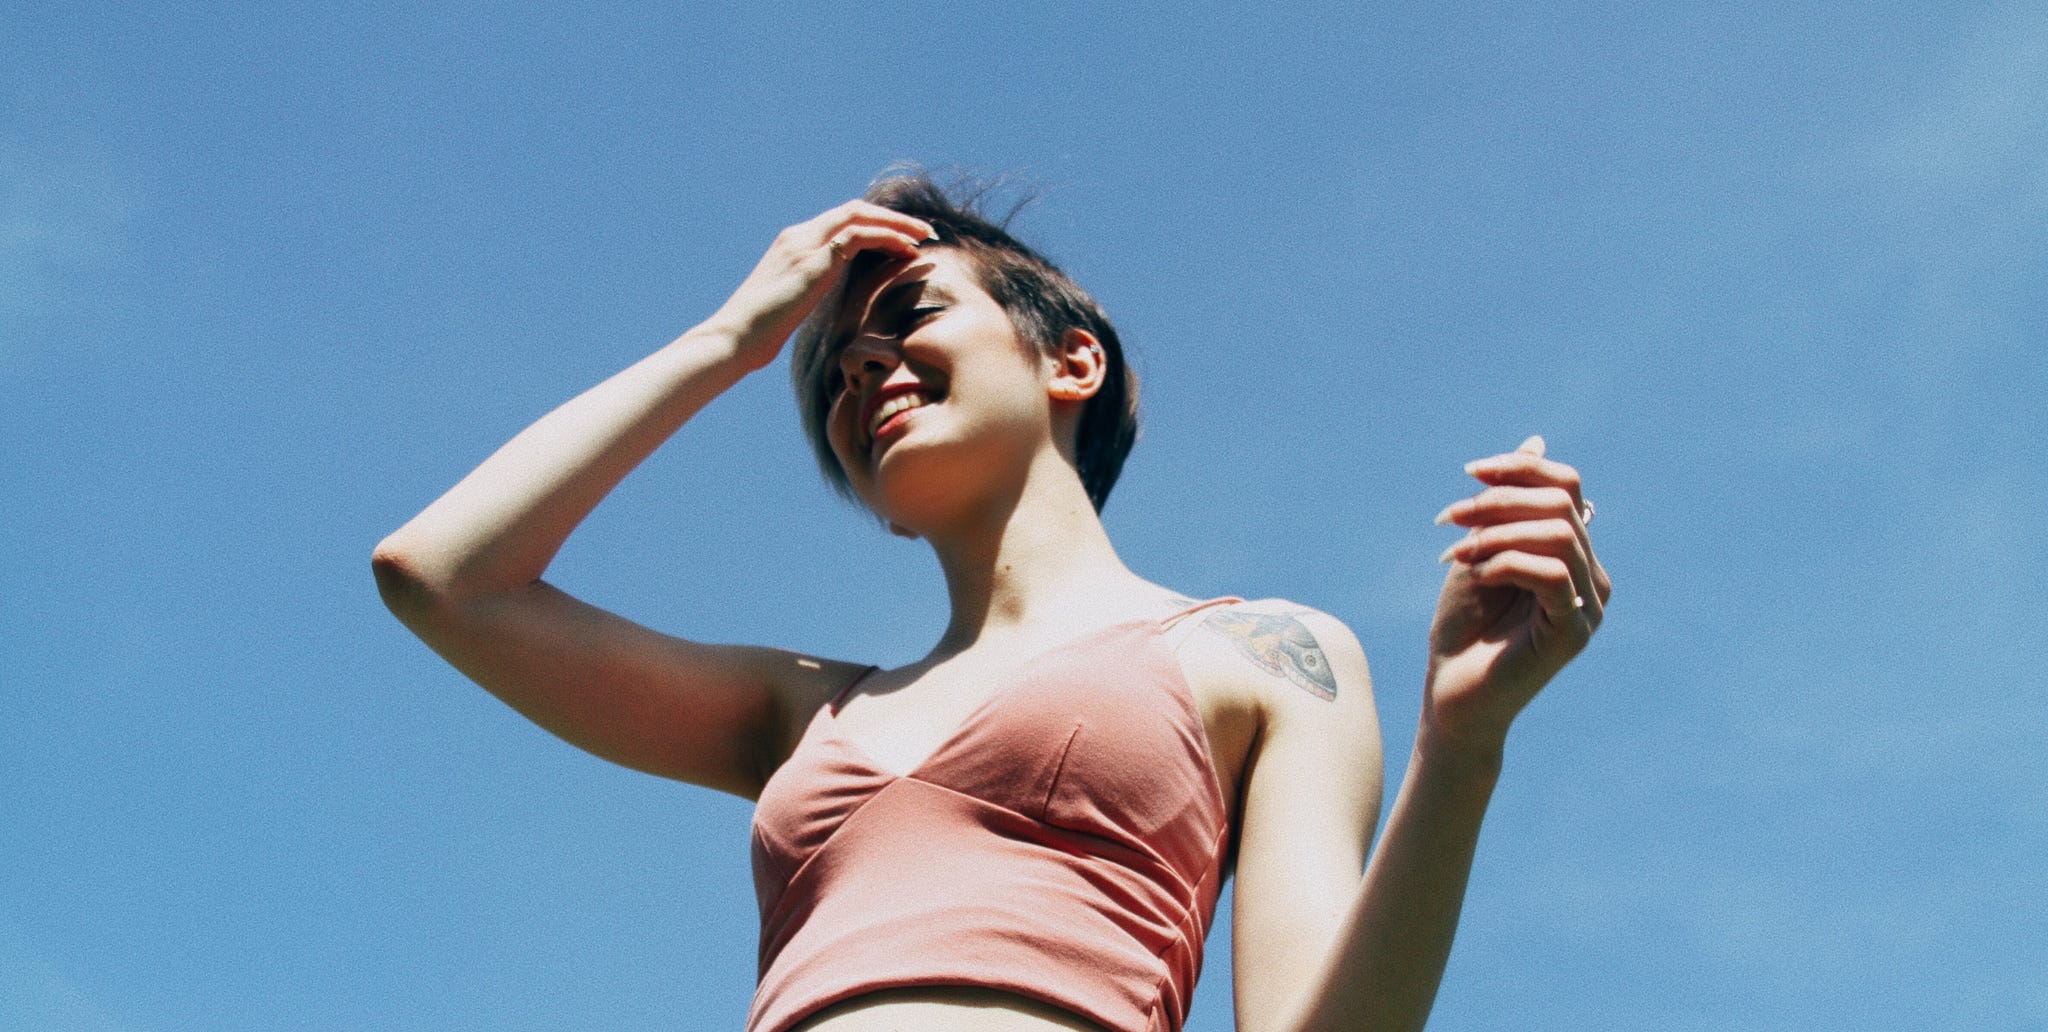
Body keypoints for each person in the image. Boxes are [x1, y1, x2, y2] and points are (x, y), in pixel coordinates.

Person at [372, 172, 1611, 1032]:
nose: (860, 364)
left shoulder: (1257, 655)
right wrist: (731, 338)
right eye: (832, 378)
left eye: (910, 316)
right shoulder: (802, 715)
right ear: (877, 500)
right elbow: (443, 580)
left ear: (1072, 360)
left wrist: (1461, 745)